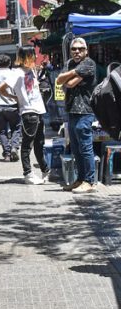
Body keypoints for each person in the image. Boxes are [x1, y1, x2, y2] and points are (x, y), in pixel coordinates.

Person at [0, 46, 49, 185]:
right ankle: (28, 174)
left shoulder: (31, 70)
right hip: (28, 112)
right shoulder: (17, 73)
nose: (34, 58)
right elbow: (0, 88)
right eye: (31, 56)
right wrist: (14, 97)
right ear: (24, 57)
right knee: (27, 145)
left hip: (39, 111)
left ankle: (45, 170)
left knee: (39, 144)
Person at [55, 37, 98, 193]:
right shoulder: (69, 64)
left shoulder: (89, 64)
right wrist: (71, 75)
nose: (77, 51)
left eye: (80, 49)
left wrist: (70, 75)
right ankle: (80, 179)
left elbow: (69, 83)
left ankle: (90, 181)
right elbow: (59, 81)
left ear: (86, 50)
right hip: (72, 110)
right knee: (75, 148)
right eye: (74, 49)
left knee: (85, 147)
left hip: (85, 111)